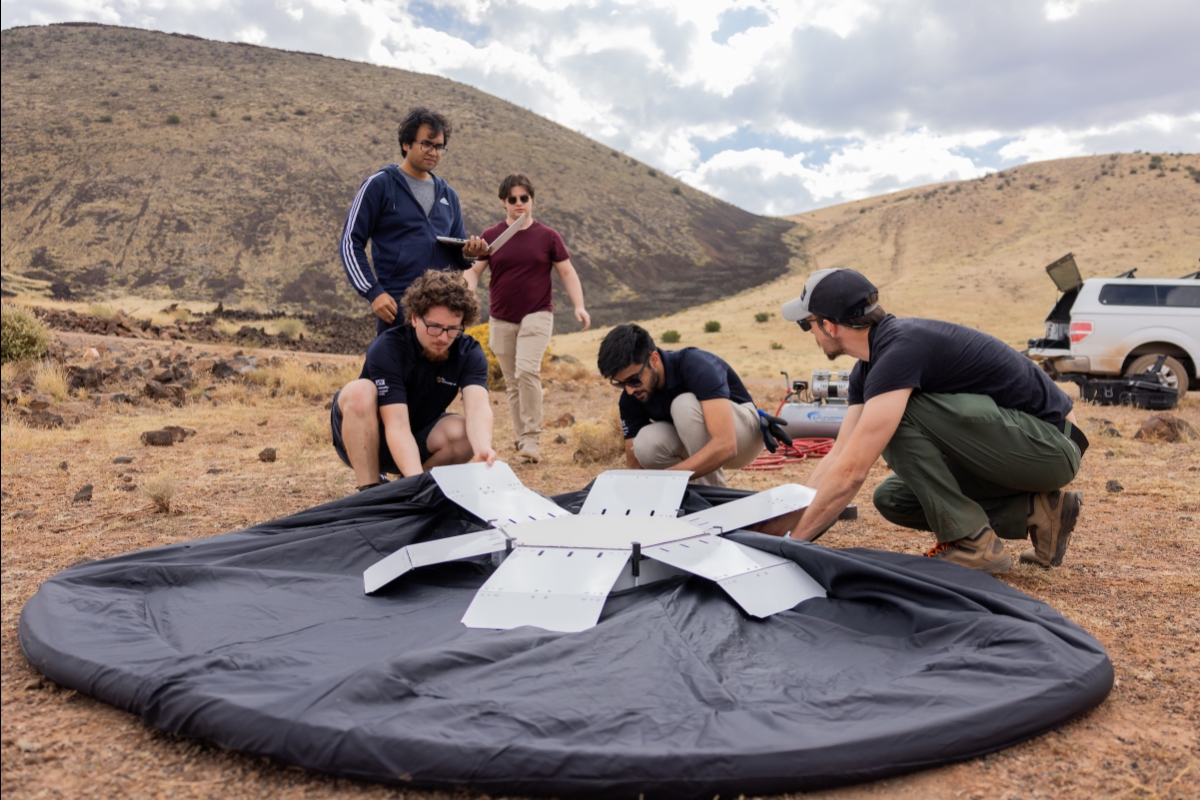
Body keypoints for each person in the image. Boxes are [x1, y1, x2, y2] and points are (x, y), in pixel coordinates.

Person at [777, 268, 1087, 573]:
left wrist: (790, 546)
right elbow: (839, 453)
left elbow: (852, 471)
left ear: (830, 326)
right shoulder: (869, 366)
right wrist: (792, 521)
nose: (812, 334)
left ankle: (972, 542)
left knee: (898, 414)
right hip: (1020, 449)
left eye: (808, 325)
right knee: (893, 498)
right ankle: (1038, 513)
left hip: (1052, 446)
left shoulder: (899, 352)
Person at [330, 270, 497, 490]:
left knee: (464, 434)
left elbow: (478, 408)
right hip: (367, 438)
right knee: (359, 392)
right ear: (415, 317)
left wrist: (482, 447)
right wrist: (414, 481)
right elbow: (396, 425)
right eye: (435, 327)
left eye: (453, 329)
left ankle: (415, 489)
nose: (443, 337)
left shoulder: (469, 352)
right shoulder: (388, 348)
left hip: (419, 437)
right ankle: (370, 492)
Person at [464, 174, 590, 463]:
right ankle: (522, 439)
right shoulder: (491, 235)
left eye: (524, 198)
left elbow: (567, 272)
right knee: (512, 382)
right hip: (501, 318)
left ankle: (532, 439)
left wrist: (579, 306)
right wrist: (467, 294)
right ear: (503, 202)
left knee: (526, 372)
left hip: (538, 313)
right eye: (512, 199)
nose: (519, 203)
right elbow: (473, 271)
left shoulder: (548, 236)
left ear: (532, 199)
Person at [339, 107, 489, 335]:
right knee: (389, 371)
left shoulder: (449, 195)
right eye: (426, 143)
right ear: (406, 144)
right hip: (398, 307)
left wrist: (469, 253)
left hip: (442, 314)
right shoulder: (379, 185)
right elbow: (351, 242)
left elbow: (456, 254)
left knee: (439, 372)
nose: (433, 151)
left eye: (439, 146)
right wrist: (373, 291)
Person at [596, 324, 764, 487]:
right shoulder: (632, 396)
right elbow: (633, 467)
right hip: (697, 443)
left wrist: (669, 478)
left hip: (743, 438)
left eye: (634, 379)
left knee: (683, 404)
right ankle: (689, 496)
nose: (630, 390)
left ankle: (713, 497)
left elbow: (726, 445)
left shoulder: (696, 365)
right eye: (620, 384)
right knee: (645, 444)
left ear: (654, 359)